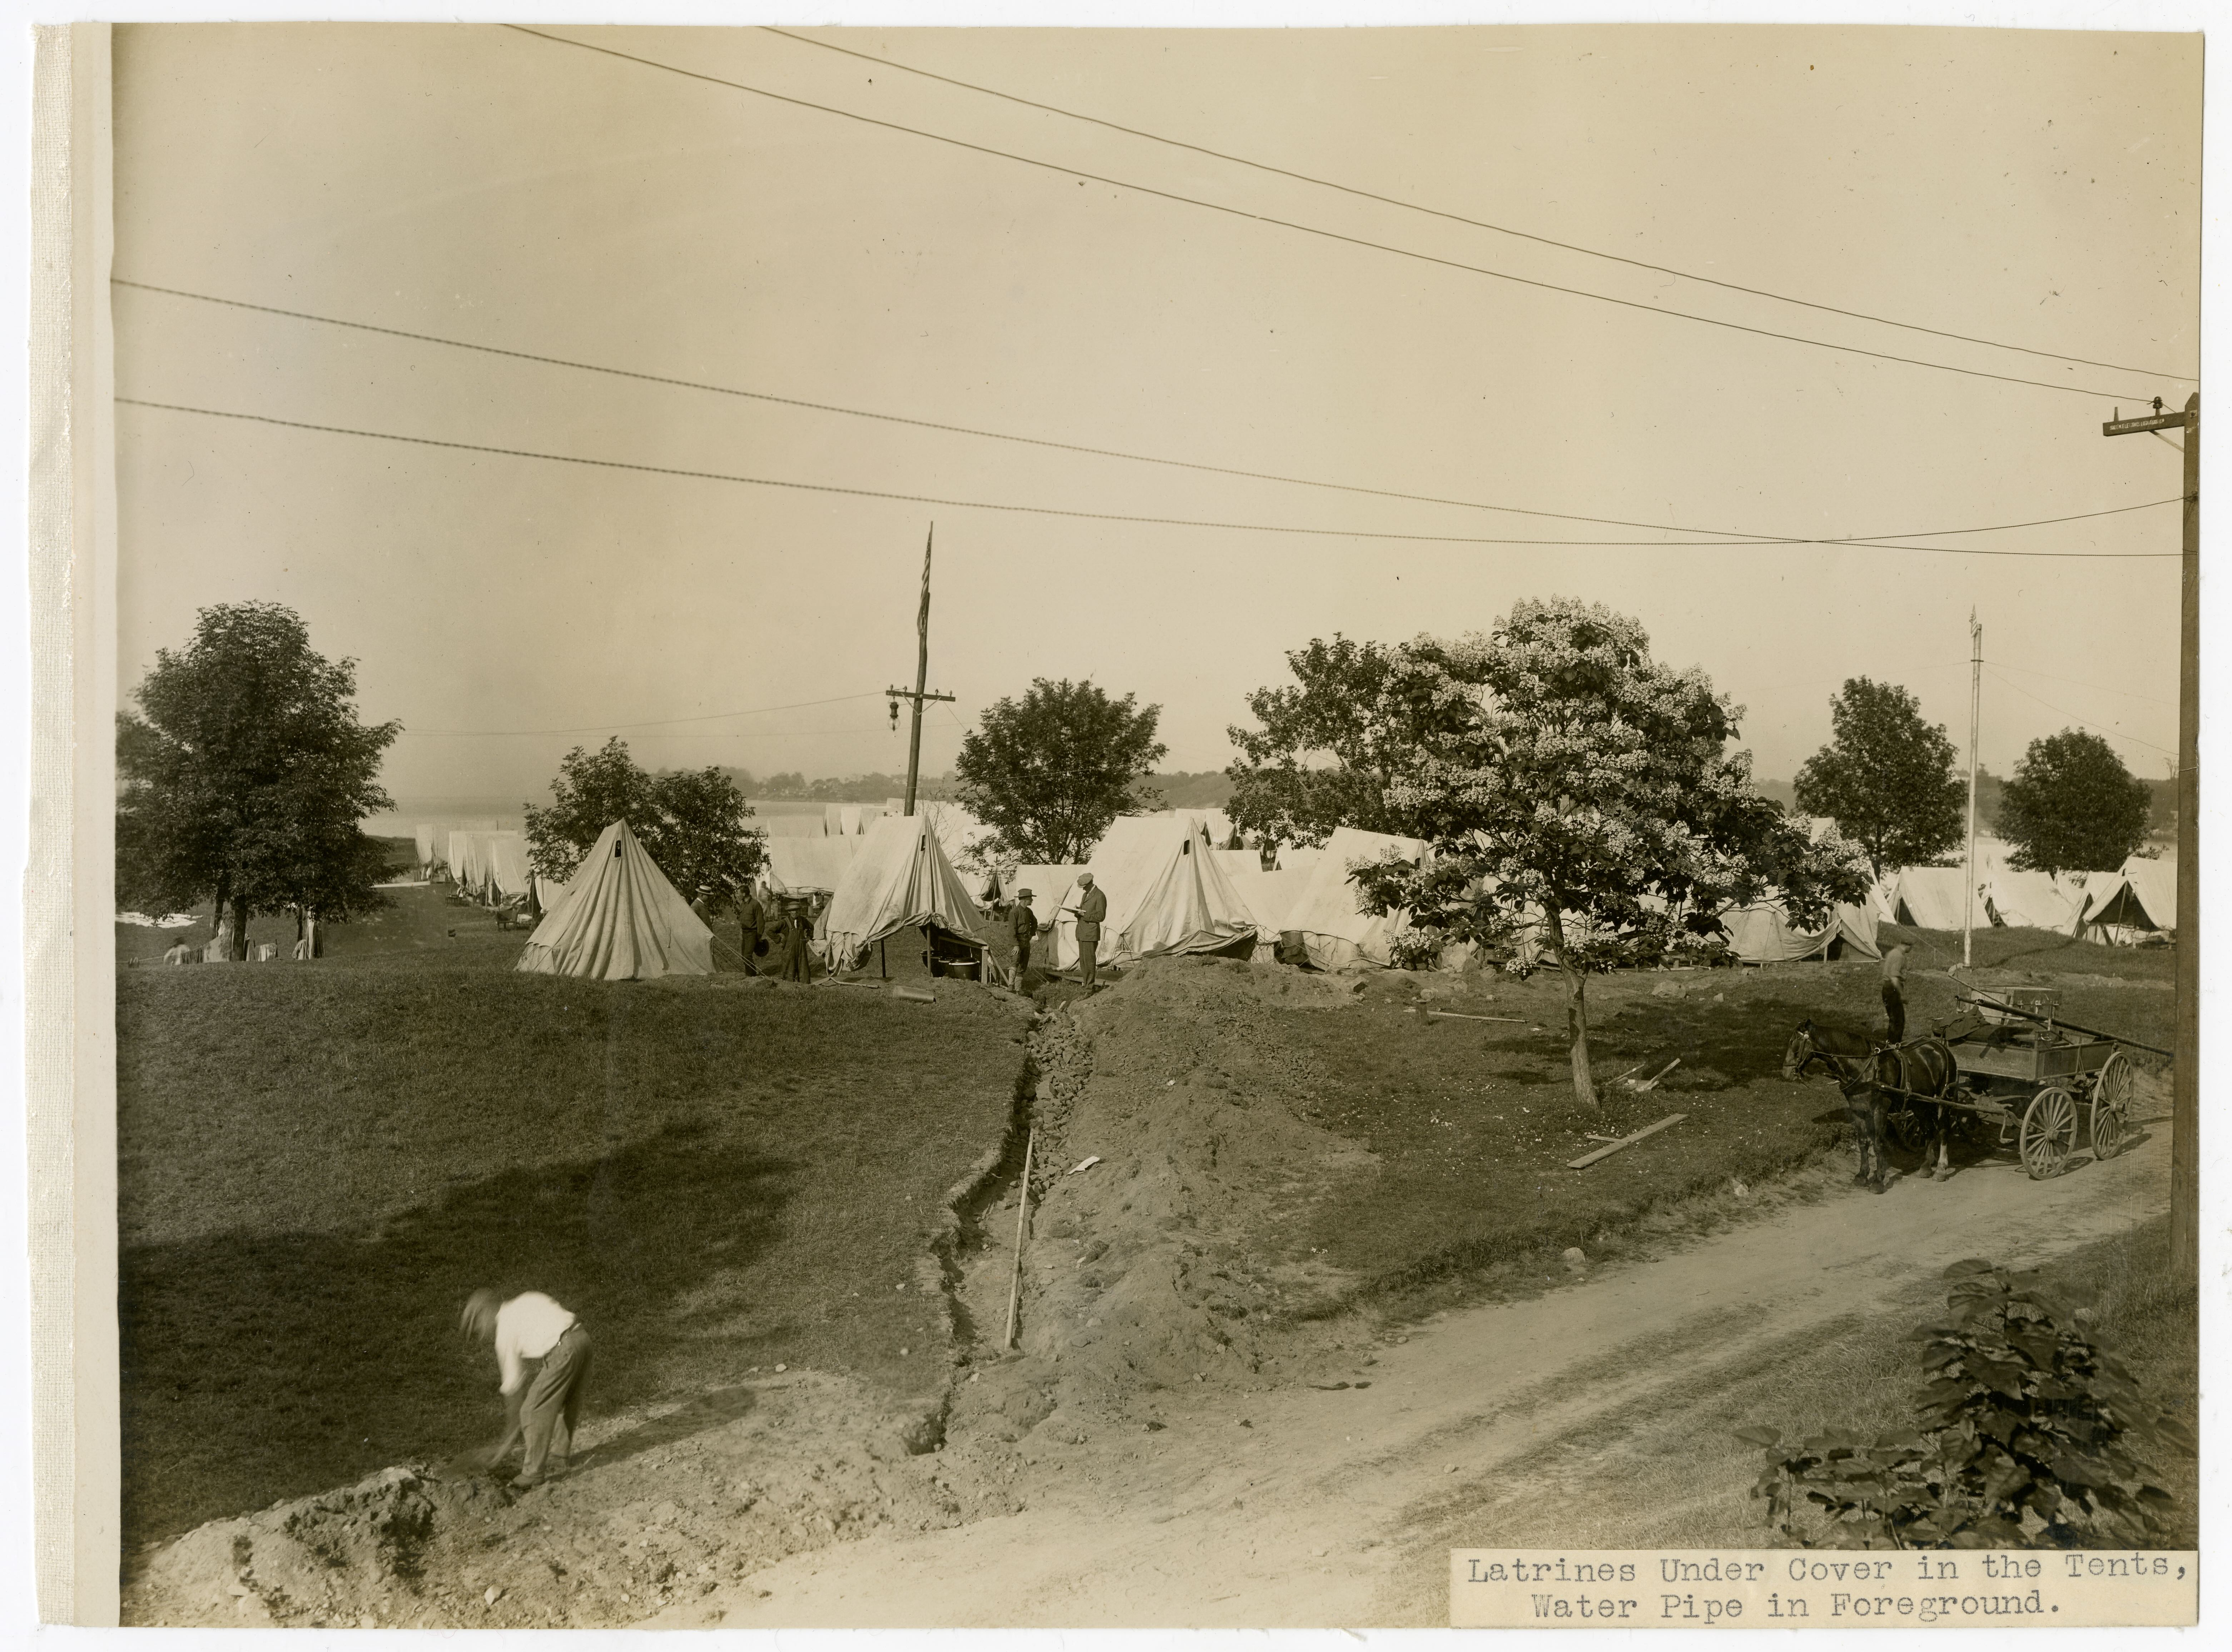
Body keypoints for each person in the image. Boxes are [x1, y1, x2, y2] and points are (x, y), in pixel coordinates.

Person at [460, 1288, 592, 1488]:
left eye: (477, 1328)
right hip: (582, 1338)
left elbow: (514, 1391)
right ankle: (559, 1456)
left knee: (532, 1410)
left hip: (563, 1349)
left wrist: (503, 1448)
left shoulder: (505, 1332)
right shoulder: (524, 1300)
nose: (480, 1336)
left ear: (484, 1312)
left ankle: (533, 1474)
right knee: (566, 1400)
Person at [1065, 872, 1108, 991]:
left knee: (1089, 962)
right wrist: (1078, 912)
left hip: (1090, 934)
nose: (1083, 888)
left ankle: (1090, 989)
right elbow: (1086, 912)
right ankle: (1087, 985)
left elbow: (1101, 916)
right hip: (1082, 933)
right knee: (1084, 962)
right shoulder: (1086, 895)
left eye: (1084, 886)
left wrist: (1085, 915)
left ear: (1090, 884)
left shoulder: (1099, 896)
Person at [1881, 942, 1911, 1044]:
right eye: (1911, 947)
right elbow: (1894, 977)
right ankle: (1894, 1047)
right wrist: (1902, 995)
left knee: (1894, 1019)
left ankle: (1890, 1044)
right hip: (1893, 990)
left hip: (1887, 989)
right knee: (1898, 1021)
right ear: (1907, 945)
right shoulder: (1899, 956)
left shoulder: (1893, 952)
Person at [735, 886, 767, 975]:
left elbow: (761, 921)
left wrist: (759, 936)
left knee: (747, 956)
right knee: (744, 956)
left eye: (739, 893)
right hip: (744, 934)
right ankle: (752, 975)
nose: (738, 896)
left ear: (744, 894)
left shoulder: (755, 904)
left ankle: (751, 976)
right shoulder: (743, 905)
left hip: (752, 934)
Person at [1008, 889, 1039, 982]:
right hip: (1017, 942)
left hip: (1026, 942)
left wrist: (1031, 935)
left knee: (1023, 965)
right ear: (1025, 900)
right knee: (1015, 962)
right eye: (1031, 899)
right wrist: (1016, 945)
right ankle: (1011, 986)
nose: (1032, 901)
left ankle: (1018, 990)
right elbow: (1011, 931)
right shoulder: (1014, 912)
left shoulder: (1029, 912)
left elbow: (1035, 923)